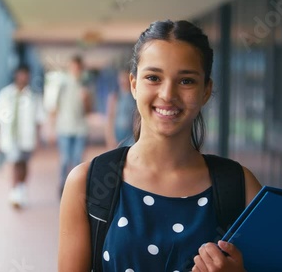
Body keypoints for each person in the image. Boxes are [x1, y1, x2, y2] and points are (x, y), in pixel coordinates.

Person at [58, 20, 264, 272]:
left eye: (186, 81)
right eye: (153, 77)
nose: (167, 94)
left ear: (206, 90)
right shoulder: (88, 182)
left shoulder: (238, 185)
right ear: (134, 85)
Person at [0, 64, 46, 208]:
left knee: (23, 163)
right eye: (21, 74)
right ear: (16, 75)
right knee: (15, 162)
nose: (23, 78)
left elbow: (39, 120)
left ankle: (21, 187)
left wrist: (39, 140)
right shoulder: (5, 94)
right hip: (10, 136)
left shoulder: (33, 96)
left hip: (27, 137)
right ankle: (15, 191)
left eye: (26, 75)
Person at [50, 55, 93, 197]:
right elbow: (55, 107)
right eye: (73, 67)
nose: (76, 70)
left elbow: (89, 110)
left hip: (80, 128)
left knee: (77, 159)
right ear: (70, 67)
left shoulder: (85, 86)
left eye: (78, 67)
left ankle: (75, 188)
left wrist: (86, 99)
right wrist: (52, 127)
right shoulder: (63, 84)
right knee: (65, 159)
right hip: (64, 128)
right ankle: (62, 184)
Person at [105, 68, 137, 148]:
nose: (123, 81)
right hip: (117, 132)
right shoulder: (114, 97)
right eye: (121, 79)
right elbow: (110, 117)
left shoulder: (135, 97)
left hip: (131, 134)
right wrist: (110, 137)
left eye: (125, 78)